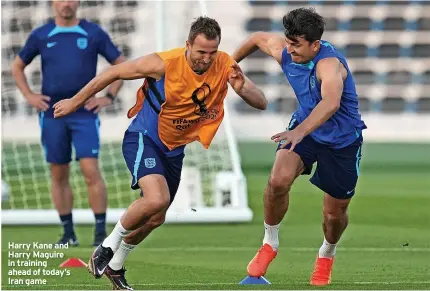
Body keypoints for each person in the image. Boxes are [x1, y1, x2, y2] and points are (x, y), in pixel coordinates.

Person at [53, 16, 268, 290]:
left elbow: (261, 102)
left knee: (157, 217)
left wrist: (242, 88)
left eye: (212, 52)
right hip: (143, 138)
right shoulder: (163, 63)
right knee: (156, 199)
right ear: (188, 45)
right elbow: (113, 73)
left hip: (174, 149)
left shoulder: (225, 64)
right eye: (201, 52)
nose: (206, 58)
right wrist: (75, 101)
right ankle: (106, 247)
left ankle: (116, 265)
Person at [232, 7, 366, 286]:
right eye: (288, 41)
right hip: (304, 129)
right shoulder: (286, 50)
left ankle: (327, 253)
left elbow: (331, 103)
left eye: (296, 44)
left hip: (342, 140)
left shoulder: (329, 65)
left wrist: (299, 132)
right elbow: (257, 38)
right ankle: (270, 243)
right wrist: (229, 65)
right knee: (278, 180)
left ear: (315, 44)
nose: (290, 49)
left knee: (334, 214)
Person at [11, 0, 126, 247]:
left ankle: (99, 233)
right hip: (53, 114)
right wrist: (29, 95)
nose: (66, 3)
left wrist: (108, 97)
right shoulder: (41, 34)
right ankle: (68, 233)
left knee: (90, 171)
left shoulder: (92, 33)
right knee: (58, 173)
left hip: (84, 113)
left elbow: (121, 65)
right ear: (53, 3)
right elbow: (17, 66)